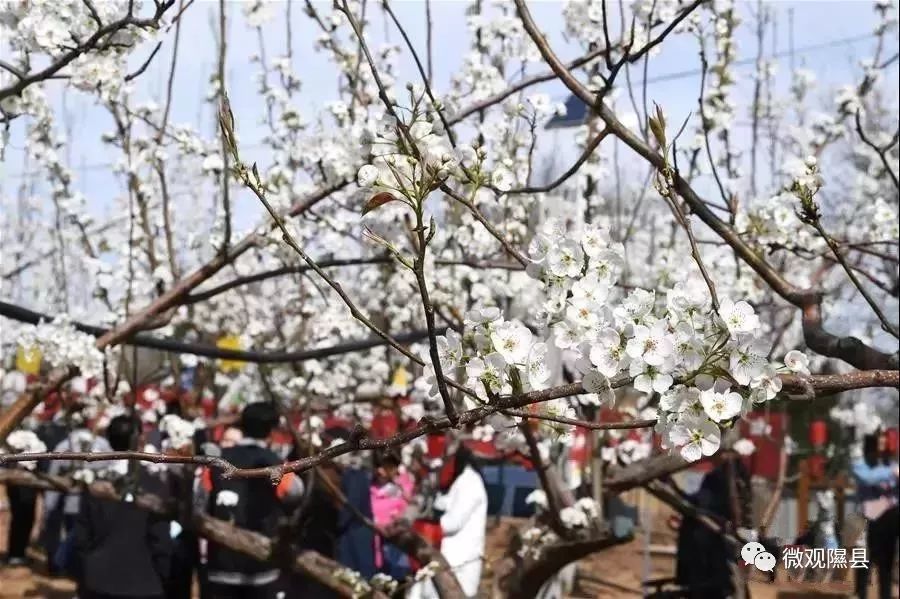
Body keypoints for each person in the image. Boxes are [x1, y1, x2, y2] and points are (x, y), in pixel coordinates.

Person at [198, 401, 304, 599]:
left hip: (221, 563)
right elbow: (295, 493)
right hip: (260, 565)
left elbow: (199, 502)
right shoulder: (274, 463)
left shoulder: (217, 462)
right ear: (272, 432)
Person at [72, 415, 173, 599]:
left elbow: (81, 538)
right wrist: (162, 576)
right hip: (144, 583)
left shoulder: (95, 483)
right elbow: (161, 541)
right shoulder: (155, 485)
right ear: (140, 440)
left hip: (98, 581)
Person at [409, 442, 488, 599]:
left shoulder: (470, 482)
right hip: (442, 558)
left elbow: (453, 523)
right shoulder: (457, 481)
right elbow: (441, 503)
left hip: (460, 560)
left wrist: (423, 527)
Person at [43, 416, 113, 576]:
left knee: (72, 536)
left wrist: (49, 506)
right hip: (96, 505)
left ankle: (70, 569)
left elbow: (52, 479)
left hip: (70, 505)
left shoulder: (63, 445)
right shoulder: (102, 445)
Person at [674, 458, 753, 599]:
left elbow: (701, 503)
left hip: (711, 555)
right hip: (715, 553)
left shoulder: (722, 476)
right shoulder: (728, 476)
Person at [852, 432, 899, 599]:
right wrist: (892, 473)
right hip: (866, 517)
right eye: (879, 444)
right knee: (863, 558)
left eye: (884, 444)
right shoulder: (861, 465)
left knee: (886, 563)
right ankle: (860, 593)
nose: (882, 448)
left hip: (887, 519)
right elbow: (868, 479)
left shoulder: (890, 464)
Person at [370, 449, 414, 580]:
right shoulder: (368, 486)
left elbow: (409, 512)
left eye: (386, 467)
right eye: (378, 466)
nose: (381, 472)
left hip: (396, 550)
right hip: (373, 550)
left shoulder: (405, 488)